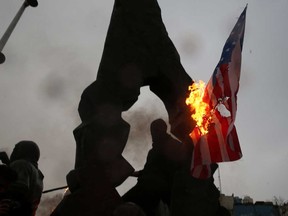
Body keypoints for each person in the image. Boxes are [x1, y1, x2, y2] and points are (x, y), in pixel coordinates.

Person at [122, 119, 190, 216]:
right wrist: (131, 173)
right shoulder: (152, 152)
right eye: (152, 130)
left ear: (163, 130)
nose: (153, 133)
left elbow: (178, 173)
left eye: (155, 130)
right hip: (146, 186)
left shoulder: (174, 146)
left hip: (158, 191)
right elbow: (148, 171)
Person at [0, 141, 44, 216]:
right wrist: (9, 163)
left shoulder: (21, 164)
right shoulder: (39, 175)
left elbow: (16, 190)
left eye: (15, 149)